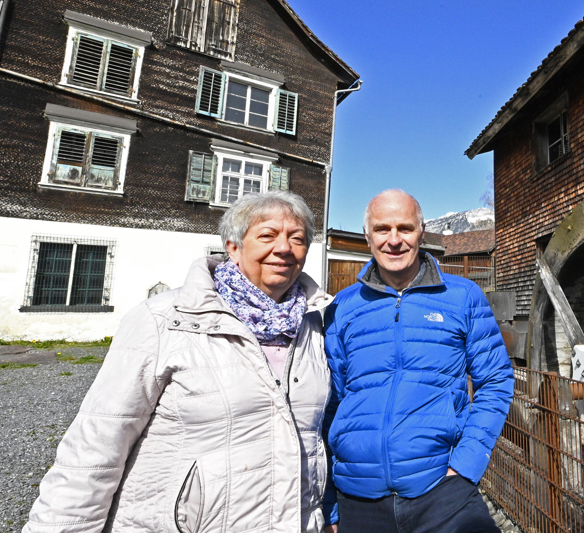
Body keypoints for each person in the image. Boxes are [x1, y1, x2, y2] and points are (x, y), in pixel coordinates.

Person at [23, 191, 334, 533]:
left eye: (297, 238)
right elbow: (97, 444)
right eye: (267, 235)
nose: (284, 248)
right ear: (233, 246)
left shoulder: (315, 324)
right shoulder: (163, 319)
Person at [322, 189, 513, 533]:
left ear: (421, 232)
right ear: (368, 235)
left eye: (405, 229)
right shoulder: (342, 307)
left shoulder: (462, 297)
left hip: (442, 494)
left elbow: (496, 380)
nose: (394, 240)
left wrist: (467, 463)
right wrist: (330, 504)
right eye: (382, 229)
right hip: (358, 498)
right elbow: (327, 403)